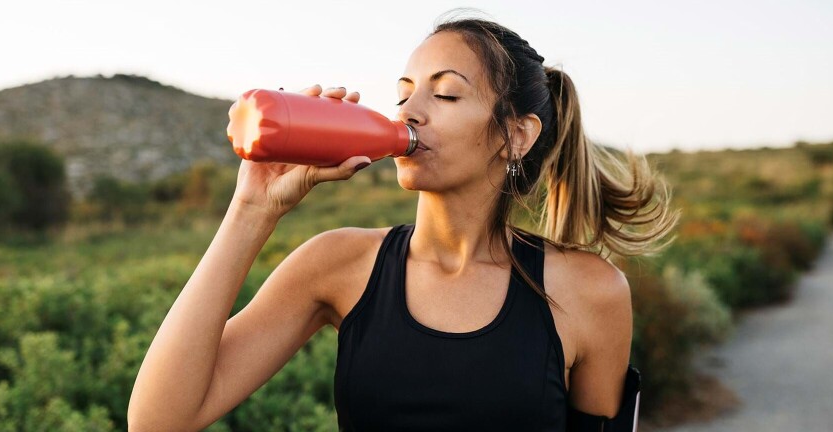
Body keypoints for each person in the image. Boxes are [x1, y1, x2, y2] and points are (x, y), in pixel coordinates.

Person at [128, 10, 679, 432]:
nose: (409, 112)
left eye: (445, 93)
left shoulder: (590, 291)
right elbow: (158, 422)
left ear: (516, 135)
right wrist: (252, 208)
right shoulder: (337, 264)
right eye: (403, 93)